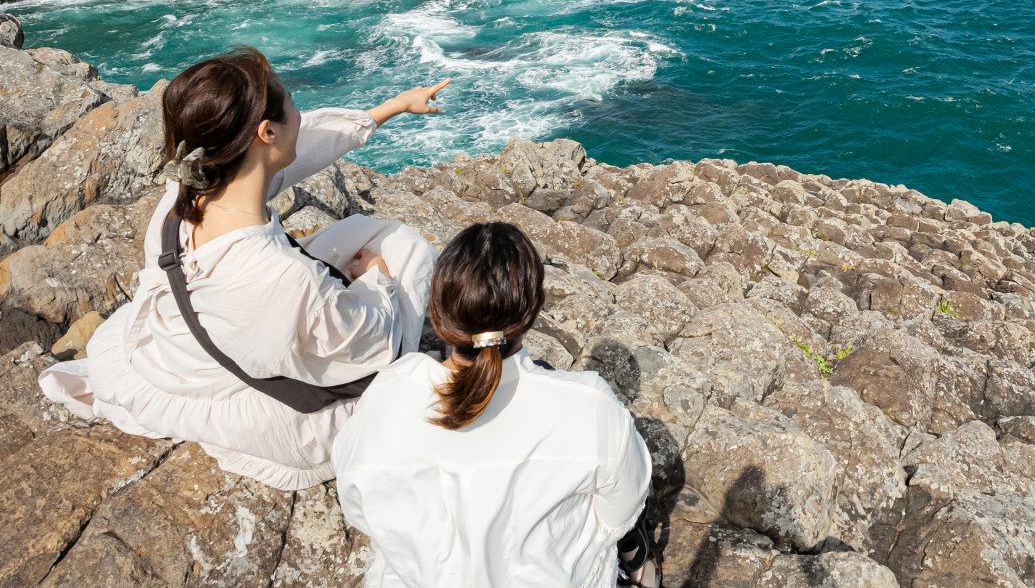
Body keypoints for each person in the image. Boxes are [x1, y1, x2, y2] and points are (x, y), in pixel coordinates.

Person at [38, 46, 443, 490]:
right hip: (265, 406)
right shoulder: (279, 275)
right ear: (266, 133)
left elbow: (305, 149)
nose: (301, 114)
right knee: (404, 249)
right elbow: (366, 345)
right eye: (292, 105)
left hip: (181, 352)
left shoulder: (191, 189)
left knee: (361, 236)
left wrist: (395, 107)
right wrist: (376, 281)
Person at [333, 221, 655, 588]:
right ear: (532, 312)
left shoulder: (389, 395)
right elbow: (619, 515)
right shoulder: (591, 408)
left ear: (437, 317)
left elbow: (357, 506)